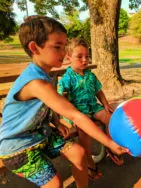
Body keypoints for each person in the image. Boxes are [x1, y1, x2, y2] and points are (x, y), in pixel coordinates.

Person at [0, 15, 127, 188]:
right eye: (58, 47)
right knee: (54, 183)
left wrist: (55, 122)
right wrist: (110, 143)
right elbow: (75, 116)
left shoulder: (44, 75)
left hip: (41, 136)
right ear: (34, 47)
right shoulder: (36, 83)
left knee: (79, 153)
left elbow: (42, 106)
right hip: (18, 148)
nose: (64, 53)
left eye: (64, 46)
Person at [57, 38, 124, 179]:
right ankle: (88, 160)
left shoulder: (90, 75)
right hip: (78, 112)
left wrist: (105, 104)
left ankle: (111, 146)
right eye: (79, 57)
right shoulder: (67, 78)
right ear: (68, 58)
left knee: (110, 118)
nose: (84, 60)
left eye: (87, 56)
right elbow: (60, 99)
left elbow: (98, 91)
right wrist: (68, 116)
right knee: (84, 129)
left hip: (93, 106)